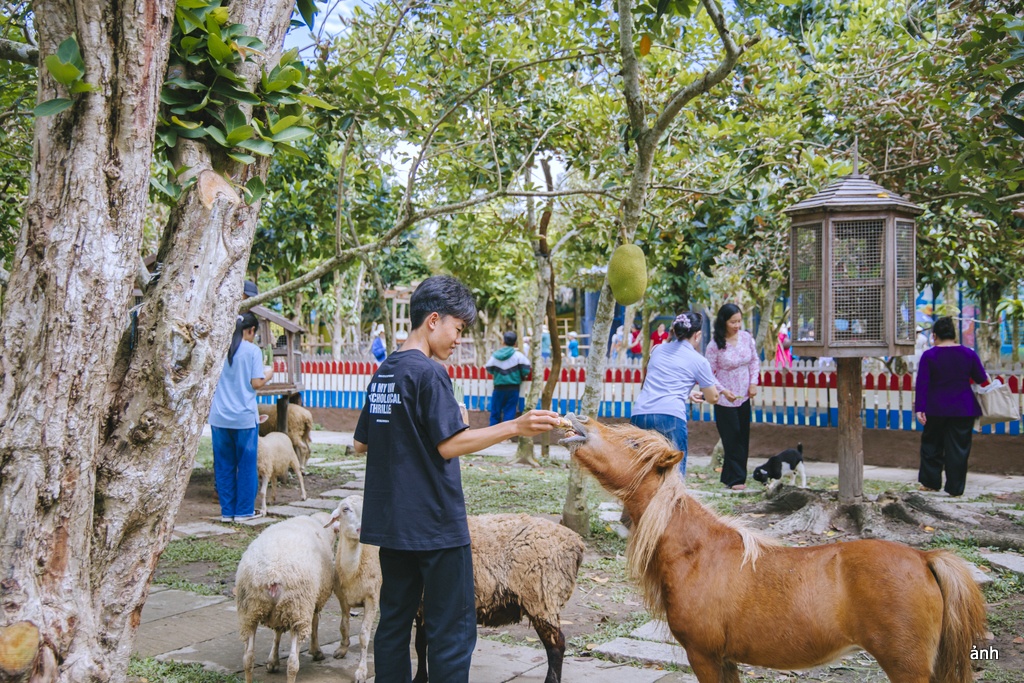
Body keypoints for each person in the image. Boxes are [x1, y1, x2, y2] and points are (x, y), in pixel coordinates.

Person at [353, 275, 562, 682]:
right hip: (435, 525)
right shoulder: (429, 374)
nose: (458, 340)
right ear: (434, 320)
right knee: (452, 629)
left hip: (392, 525)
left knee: (393, 622)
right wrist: (515, 426)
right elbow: (450, 445)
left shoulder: (385, 371)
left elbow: (362, 443)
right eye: (458, 329)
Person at [629, 311, 721, 477]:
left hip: (640, 414)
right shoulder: (698, 360)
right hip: (670, 417)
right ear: (698, 335)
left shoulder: (657, 350)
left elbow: (662, 381)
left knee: (639, 473)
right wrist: (702, 394)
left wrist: (687, 392)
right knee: (673, 475)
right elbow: (713, 397)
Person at [208, 312, 272, 523]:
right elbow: (256, 383)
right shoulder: (252, 351)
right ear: (250, 330)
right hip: (244, 418)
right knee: (246, 465)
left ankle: (227, 511)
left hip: (219, 417)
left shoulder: (218, 349)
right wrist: (269, 374)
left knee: (224, 464)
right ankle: (244, 511)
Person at [914, 316, 988, 497]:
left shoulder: (929, 355)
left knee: (932, 444)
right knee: (959, 448)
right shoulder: (969, 354)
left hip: (935, 407)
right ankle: (955, 488)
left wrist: (920, 408)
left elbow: (922, 383)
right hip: (963, 408)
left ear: (934, 335)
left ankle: (930, 483)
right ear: (954, 335)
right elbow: (981, 378)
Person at [705, 304, 759, 490]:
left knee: (743, 435)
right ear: (723, 322)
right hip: (724, 398)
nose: (737, 325)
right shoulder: (714, 345)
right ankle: (737, 479)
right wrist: (722, 390)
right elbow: (708, 373)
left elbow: (754, 362)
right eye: (732, 322)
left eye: (739, 321)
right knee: (732, 436)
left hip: (744, 395)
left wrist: (754, 383)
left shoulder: (746, 338)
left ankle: (731, 476)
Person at [485, 331, 532, 425]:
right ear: (515, 343)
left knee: (495, 411)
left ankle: (493, 435)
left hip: (498, 388)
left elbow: (489, 368)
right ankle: (506, 436)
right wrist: (520, 375)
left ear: (503, 342)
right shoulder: (518, 355)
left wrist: (497, 373)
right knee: (510, 411)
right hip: (513, 388)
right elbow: (527, 369)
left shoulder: (495, 355)